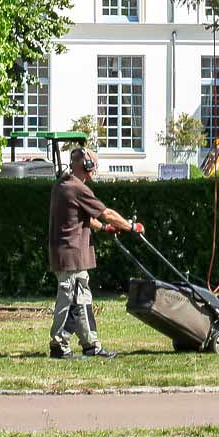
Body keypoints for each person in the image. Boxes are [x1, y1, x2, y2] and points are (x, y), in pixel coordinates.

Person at [48, 146, 140, 359]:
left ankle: (91, 345)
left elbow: (85, 216)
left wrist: (104, 228)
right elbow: (106, 212)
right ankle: (59, 345)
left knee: (82, 299)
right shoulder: (77, 188)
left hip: (71, 254)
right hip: (71, 254)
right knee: (69, 300)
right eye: (94, 165)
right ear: (86, 165)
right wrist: (130, 227)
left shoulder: (62, 184)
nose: (96, 169)